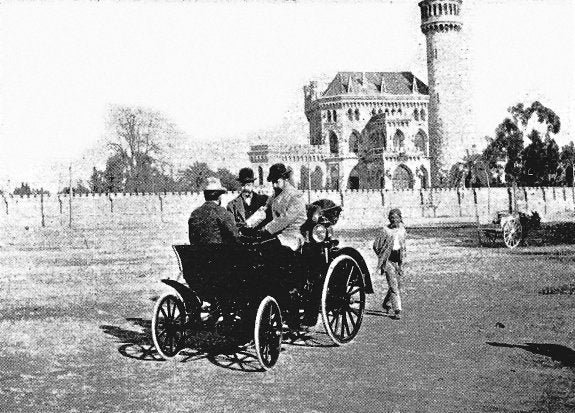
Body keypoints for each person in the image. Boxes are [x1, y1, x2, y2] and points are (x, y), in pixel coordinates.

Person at [373, 208, 407, 320]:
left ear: (400, 218)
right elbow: (376, 245)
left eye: (396, 218)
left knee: (398, 284)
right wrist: (382, 256)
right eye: (392, 218)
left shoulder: (402, 230)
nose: (394, 220)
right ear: (389, 219)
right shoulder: (385, 231)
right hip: (388, 261)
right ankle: (397, 310)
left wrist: (401, 263)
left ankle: (387, 303)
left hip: (398, 260)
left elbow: (403, 247)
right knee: (393, 285)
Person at [188, 176, 240, 245]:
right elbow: (235, 237)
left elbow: (192, 240)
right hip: (218, 254)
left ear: (205, 196)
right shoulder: (222, 212)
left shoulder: (194, 213)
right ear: (219, 197)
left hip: (199, 254)